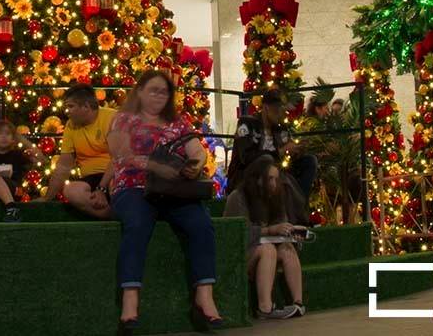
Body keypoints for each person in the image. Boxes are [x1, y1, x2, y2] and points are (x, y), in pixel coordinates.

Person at [107, 70, 222, 330]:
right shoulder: (123, 119)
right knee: (136, 224)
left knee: (201, 223)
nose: (159, 95)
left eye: (164, 91)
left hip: (172, 189)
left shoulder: (178, 122)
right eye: (153, 90)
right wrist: (157, 167)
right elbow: (121, 153)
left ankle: (204, 297)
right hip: (133, 186)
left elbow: (196, 149)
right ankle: (130, 300)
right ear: (139, 92)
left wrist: (196, 163)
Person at [224, 154, 306, 320]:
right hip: (240, 253)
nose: (274, 184)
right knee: (268, 250)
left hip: (266, 249)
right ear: (257, 179)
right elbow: (236, 233)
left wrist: (291, 233)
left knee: (287, 249)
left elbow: (281, 223)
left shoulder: (275, 197)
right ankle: (265, 308)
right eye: (269, 179)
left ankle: (298, 303)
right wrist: (269, 230)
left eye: (276, 179)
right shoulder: (238, 197)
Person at [226, 88, 317, 218]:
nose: (282, 114)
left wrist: (297, 150)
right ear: (266, 108)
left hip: (276, 171)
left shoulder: (280, 129)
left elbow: (287, 151)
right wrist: (281, 150)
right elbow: (246, 157)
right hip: (248, 173)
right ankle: (298, 216)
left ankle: (300, 209)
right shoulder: (247, 123)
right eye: (278, 109)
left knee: (309, 161)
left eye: (283, 110)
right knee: (268, 160)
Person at [41, 83, 115, 219]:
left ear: (86, 106)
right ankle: (111, 216)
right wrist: (47, 198)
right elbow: (64, 166)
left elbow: (118, 159)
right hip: (90, 179)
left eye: (71, 106)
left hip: (114, 174)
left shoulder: (112, 118)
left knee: (115, 186)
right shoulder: (70, 125)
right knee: (70, 190)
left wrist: (102, 189)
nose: (67, 111)